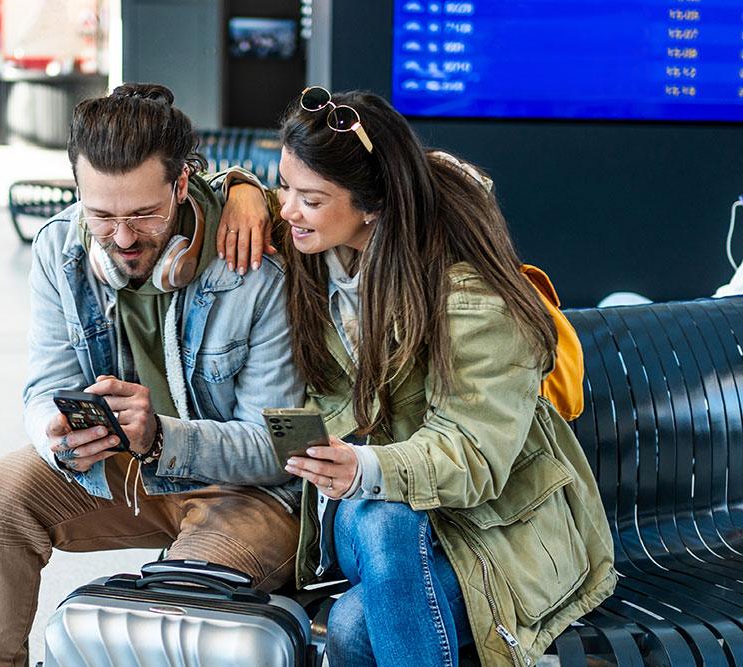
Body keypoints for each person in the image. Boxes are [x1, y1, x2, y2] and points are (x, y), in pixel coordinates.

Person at [220, 87, 617, 667]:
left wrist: (367, 467)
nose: (286, 211)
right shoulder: (307, 248)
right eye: (282, 185)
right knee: (385, 520)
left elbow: (474, 454)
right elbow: (180, 200)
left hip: (493, 529)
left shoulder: (471, 295)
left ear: (372, 205)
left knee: (356, 627)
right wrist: (239, 190)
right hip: (372, 522)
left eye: (309, 198)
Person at [0, 83, 304, 666]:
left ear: (183, 183)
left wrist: (162, 436)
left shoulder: (254, 269)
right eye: (101, 214)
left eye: (144, 213)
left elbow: (279, 447)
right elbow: (43, 388)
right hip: (126, 469)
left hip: (247, 492)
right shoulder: (60, 247)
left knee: (171, 611)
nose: (123, 237)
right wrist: (56, 435)